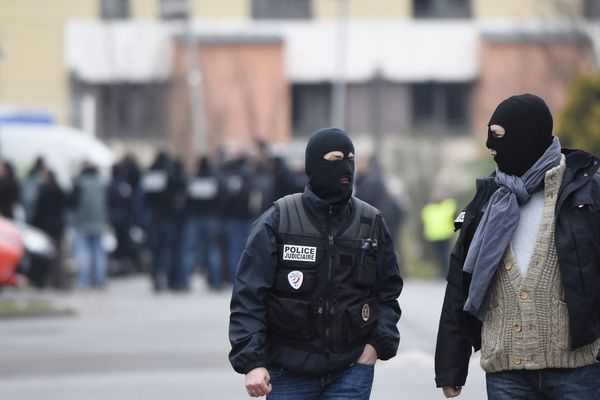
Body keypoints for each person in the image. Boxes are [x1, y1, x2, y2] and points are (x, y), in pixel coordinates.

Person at [435, 94, 600, 399]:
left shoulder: (585, 191)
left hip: (577, 370)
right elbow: (460, 283)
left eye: (497, 135)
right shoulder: (487, 202)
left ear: (528, 136)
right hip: (507, 373)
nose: (489, 145)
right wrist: (451, 365)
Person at [229, 128, 403, 399]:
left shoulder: (372, 223)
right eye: (335, 160)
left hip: (351, 370)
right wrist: (252, 362)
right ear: (313, 165)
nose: (345, 168)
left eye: (351, 160)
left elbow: (388, 293)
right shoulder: (277, 221)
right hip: (287, 373)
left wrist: (376, 346)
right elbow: (248, 296)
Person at [420, 195, 457, 278]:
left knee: (444, 255)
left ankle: (445, 272)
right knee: (439, 256)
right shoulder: (428, 209)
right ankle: (442, 272)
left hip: (445, 236)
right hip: (433, 237)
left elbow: (456, 217)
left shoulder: (448, 207)